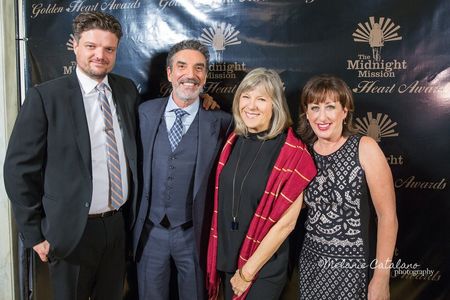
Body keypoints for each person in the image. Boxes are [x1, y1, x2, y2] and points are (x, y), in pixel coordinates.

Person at [3, 12, 139, 299]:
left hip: (117, 227)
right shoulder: (45, 97)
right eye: (91, 46)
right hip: (69, 232)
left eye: (109, 49)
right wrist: (34, 235)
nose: (100, 55)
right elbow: (18, 171)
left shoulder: (126, 91)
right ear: (75, 45)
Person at [133, 39, 233, 300]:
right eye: (182, 66)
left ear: (206, 75)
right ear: (169, 73)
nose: (190, 74)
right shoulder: (144, 112)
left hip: (195, 235)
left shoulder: (222, 122)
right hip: (150, 232)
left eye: (199, 68)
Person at [206, 68, 317, 300]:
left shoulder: (292, 153)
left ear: (275, 104)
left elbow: (286, 225)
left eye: (261, 99)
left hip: (262, 267)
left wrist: (247, 273)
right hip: (227, 258)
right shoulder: (233, 140)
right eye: (246, 97)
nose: (251, 105)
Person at [297, 74, 398, 300]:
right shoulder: (304, 152)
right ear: (306, 113)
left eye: (330, 107)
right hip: (312, 265)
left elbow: (387, 217)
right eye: (314, 108)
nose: (321, 116)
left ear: (345, 111)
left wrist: (381, 278)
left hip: (355, 271)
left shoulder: (365, 147)